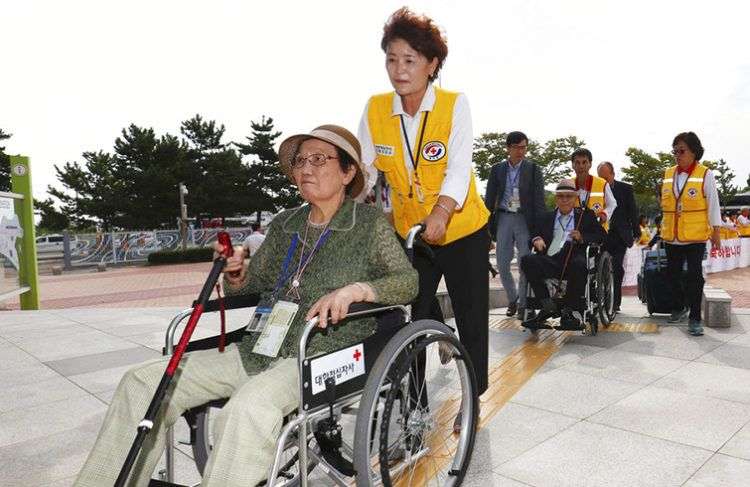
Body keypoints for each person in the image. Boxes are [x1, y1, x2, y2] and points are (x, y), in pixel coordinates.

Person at [74, 125, 418, 487]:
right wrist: (237, 272)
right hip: (257, 347)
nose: (306, 169)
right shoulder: (287, 223)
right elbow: (251, 286)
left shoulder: (368, 224)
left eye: (320, 159)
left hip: (321, 353)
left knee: (247, 408)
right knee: (142, 381)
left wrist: (356, 290)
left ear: (348, 172)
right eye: (301, 161)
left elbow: (407, 282)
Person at [357, 7, 490, 428]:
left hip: (461, 228)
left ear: (432, 65)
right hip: (410, 233)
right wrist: (346, 199)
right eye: (392, 59)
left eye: (410, 60)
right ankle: (415, 405)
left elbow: (457, 168)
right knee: (407, 315)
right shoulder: (377, 110)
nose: (399, 70)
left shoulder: (455, 105)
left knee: (471, 317)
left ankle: (474, 397)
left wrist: (442, 211)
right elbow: (363, 170)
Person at [520, 180, 607, 326]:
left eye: (568, 196)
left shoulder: (586, 215)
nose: (565, 200)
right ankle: (547, 305)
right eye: (561, 196)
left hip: (573, 256)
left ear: (575, 198)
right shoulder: (546, 217)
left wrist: (582, 237)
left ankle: (569, 311)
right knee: (527, 260)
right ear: (556, 199)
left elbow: (602, 236)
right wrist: (536, 239)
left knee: (579, 264)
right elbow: (533, 235)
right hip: (550, 258)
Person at [660, 131, 721, 336]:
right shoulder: (668, 173)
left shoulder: (705, 174)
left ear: (694, 152)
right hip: (672, 235)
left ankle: (695, 318)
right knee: (672, 275)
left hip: (695, 236)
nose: (678, 155)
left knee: (695, 277)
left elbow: (713, 205)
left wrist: (716, 232)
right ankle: (679, 307)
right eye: (675, 151)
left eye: (682, 151)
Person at [484, 131, 546, 318]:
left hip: (524, 219)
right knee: (502, 264)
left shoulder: (533, 169)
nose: (521, 151)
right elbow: (489, 199)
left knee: (524, 262)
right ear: (508, 148)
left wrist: (540, 229)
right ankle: (513, 298)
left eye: (524, 147)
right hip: (503, 217)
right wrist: (485, 228)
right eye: (517, 147)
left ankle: (524, 305)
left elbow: (539, 201)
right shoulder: (497, 169)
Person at [597, 161, 640, 312]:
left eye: (605, 178)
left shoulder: (625, 189)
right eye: (600, 178)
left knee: (616, 267)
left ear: (613, 175)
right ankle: (600, 299)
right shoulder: (596, 189)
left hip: (619, 235)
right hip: (601, 235)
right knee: (599, 268)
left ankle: (615, 302)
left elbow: (632, 211)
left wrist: (636, 231)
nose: (603, 181)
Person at [571, 148, 617, 230]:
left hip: (597, 232)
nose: (581, 166)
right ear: (573, 165)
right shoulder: (568, 184)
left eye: (584, 162)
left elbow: (612, 203)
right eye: (577, 163)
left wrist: (605, 214)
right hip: (574, 232)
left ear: (590, 164)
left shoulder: (602, 183)